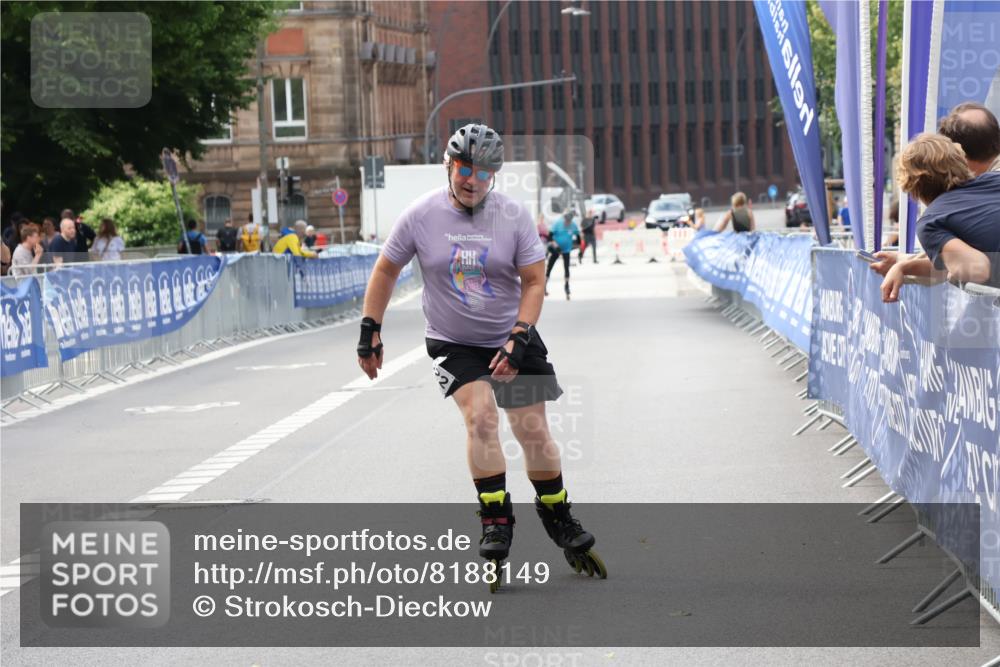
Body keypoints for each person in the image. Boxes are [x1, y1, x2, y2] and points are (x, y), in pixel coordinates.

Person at [356, 123, 606, 585]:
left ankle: (558, 515)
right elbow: (387, 268)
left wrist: (519, 337)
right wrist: (370, 329)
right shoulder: (419, 215)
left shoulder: (511, 217)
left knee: (532, 430)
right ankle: (495, 517)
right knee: (482, 418)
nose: (473, 180)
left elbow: (534, 282)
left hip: (513, 332)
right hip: (454, 341)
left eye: (484, 173)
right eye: (465, 169)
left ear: (495, 177)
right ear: (449, 166)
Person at [871, 101, 1000, 281]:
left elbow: (977, 268)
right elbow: (968, 252)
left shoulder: (932, 221)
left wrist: (906, 266)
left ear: (912, 188)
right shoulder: (993, 179)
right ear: (960, 160)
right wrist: (906, 262)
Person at [546, 211, 580, 299]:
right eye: (566, 221)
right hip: (556, 249)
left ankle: (567, 286)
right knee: (550, 267)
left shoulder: (573, 225)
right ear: (564, 219)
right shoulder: (558, 223)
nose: (567, 223)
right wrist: (555, 244)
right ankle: (544, 285)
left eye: (568, 222)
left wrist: (576, 246)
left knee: (566, 268)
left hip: (566, 250)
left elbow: (578, 238)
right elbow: (549, 236)